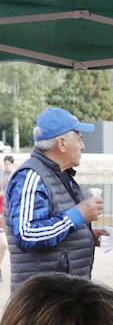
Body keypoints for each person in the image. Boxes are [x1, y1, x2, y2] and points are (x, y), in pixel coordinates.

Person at [3, 108, 103, 293]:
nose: (83, 146)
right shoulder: (30, 176)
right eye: (79, 139)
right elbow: (27, 234)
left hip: (62, 296)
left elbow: (58, 225)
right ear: (62, 143)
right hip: (42, 301)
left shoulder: (59, 175)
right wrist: (78, 215)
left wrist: (86, 236)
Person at [0, 155, 13, 281]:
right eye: (6, 164)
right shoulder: (0, 174)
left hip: (6, 212)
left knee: (4, 244)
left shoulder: (15, 176)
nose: (7, 166)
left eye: (9, 164)